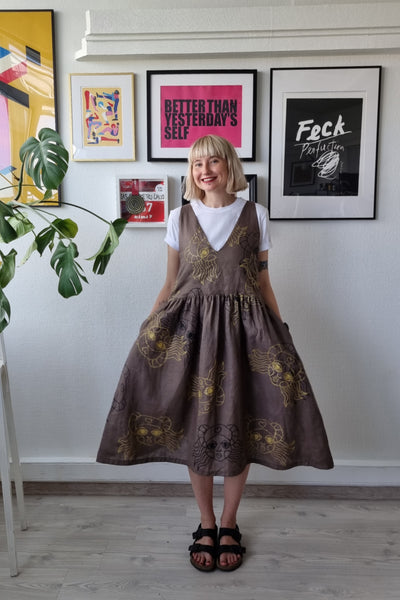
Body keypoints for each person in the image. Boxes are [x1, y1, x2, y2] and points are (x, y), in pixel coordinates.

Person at [97, 134, 333, 572]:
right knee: (197, 427)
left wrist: (280, 332)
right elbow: (171, 284)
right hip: (190, 335)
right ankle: (205, 522)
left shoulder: (256, 215)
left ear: (229, 166)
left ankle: (230, 522)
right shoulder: (179, 218)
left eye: (213, 161)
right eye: (195, 164)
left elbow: (262, 283)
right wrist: (149, 327)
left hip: (247, 334)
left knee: (239, 424)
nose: (204, 170)